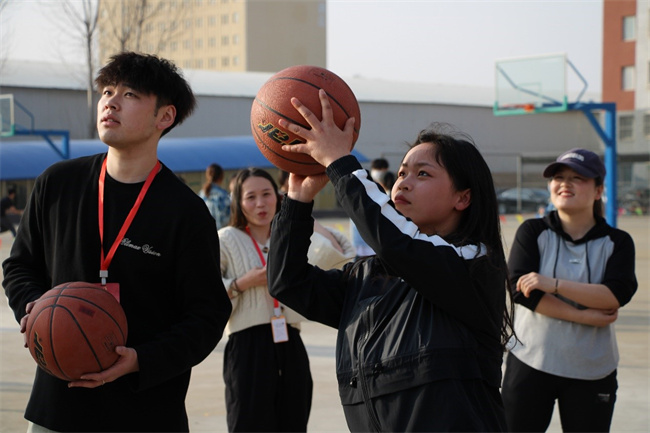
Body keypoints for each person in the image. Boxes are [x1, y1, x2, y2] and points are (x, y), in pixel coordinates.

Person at [2, 52, 232, 433]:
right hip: (59, 406)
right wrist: (38, 313)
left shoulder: (186, 212)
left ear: (165, 117)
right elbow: (19, 266)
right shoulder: (58, 184)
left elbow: (207, 316)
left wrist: (141, 358)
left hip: (147, 410)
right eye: (107, 91)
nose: (110, 101)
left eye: (130, 95)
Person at [267, 90, 514, 431]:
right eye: (401, 173)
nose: (404, 183)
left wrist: (341, 163)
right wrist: (297, 201)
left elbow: (399, 244)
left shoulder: (474, 263)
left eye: (422, 174)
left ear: (463, 197)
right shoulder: (369, 276)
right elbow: (287, 282)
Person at [501, 148, 638, 432]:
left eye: (578, 178)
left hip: (591, 368)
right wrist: (587, 316)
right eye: (559, 177)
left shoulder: (618, 242)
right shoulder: (532, 231)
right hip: (531, 360)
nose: (565, 183)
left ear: (599, 190)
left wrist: (553, 284)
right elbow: (521, 291)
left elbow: (615, 295)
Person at [218, 168, 313, 432]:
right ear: (238, 201)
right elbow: (205, 293)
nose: (260, 203)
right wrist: (242, 283)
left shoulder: (288, 237)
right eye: (251, 197)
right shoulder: (226, 239)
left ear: (278, 196)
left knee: (294, 420)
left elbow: (343, 251)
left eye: (266, 194)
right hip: (247, 345)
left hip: (290, 340)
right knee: (248, 423)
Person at [199, 162, 231, 229]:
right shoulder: (223, 195)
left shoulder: (201, 194)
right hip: (221, 234)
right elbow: (229, 217)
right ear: (221, 177)